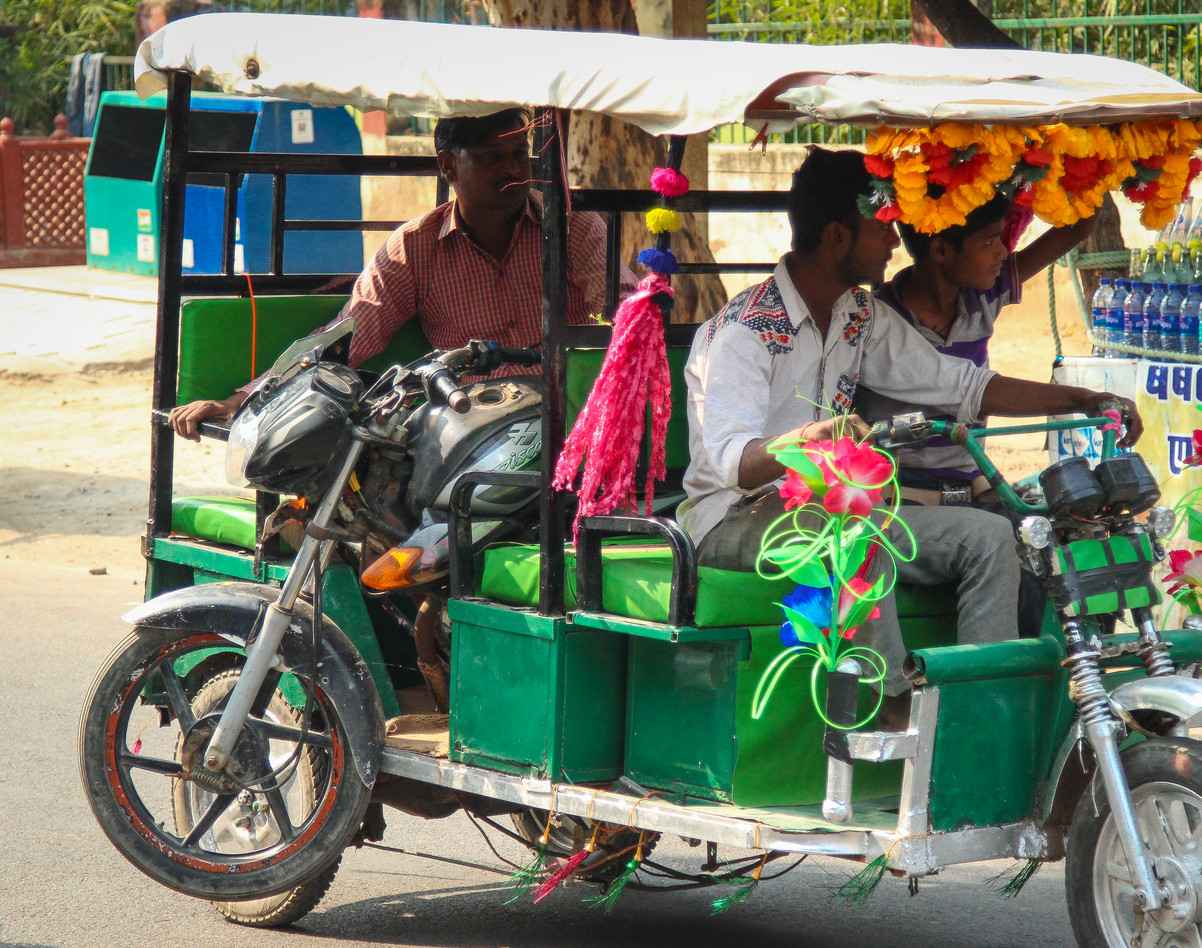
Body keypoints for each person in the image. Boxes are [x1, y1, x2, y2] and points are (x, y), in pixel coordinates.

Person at [680, 147, 1139, 724]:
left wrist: (1083, 400)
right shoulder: (744, 331)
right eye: (882, 227)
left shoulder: (856, 315)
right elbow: (733, 464)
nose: (895, 242)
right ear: (837, 237)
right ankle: (893, 706)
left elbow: (961, 384)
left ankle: (982, 716)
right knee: (855, 529)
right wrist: (810, 437)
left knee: (991, 537)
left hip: (837, 511)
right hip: (732, 520)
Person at [171, 108, 630, 440]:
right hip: (470, 428)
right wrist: (241, 403)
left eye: (518, 153)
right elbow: (347, 339)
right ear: (448, 166)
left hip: (571, 419)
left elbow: (628, 313)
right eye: (492, 156)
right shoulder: (415, 247)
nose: (512, 169)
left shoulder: (571, 226)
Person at [861, 195, 1101, 507]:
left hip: (971, 479)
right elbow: (974, 390)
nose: (1003, 251)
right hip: (898, 489)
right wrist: (1085, 398)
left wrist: (1081, 176)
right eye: (989, 242)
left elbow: (1079, 227)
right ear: (942, 251)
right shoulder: (877, 320)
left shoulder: (985, 295)